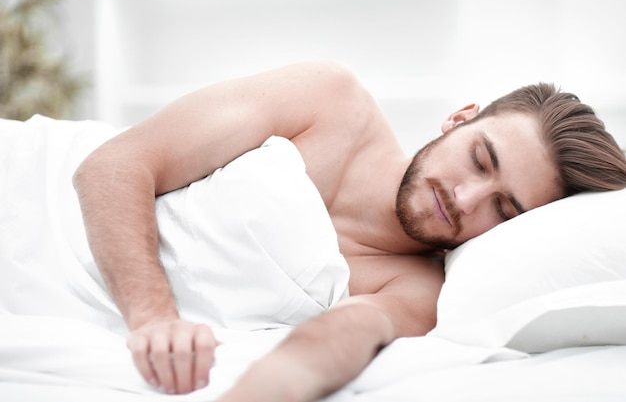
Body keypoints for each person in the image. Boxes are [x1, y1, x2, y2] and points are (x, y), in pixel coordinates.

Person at [72, 61, 626, 401]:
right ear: (460, 118)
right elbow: (114, 166)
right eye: (480, 159)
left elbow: (328, 346)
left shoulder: (417, 292)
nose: (463, 199)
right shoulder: (330, 101)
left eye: (503, 210)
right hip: (50, 202)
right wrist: (153, 318)